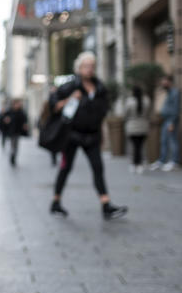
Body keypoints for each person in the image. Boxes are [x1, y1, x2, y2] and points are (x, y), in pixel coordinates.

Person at [49, 52, 128, 220]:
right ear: (79, 68)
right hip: (72, 135)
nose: (89, 69)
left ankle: (106, 205)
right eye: (86, 66)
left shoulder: (99, 88)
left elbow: (101, 114)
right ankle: (56, 202)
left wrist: (102, 135)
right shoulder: (70, 86)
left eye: (92, 66)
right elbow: (54, 106)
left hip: (92, 136)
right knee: (66, 167)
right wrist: (70, 98)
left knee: (98, 167)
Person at [150, 73, 180, 171]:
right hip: (165, 120)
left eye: (165, 81)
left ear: (169, 82)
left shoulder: (175, 93)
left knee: (172, 141)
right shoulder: (167, 92)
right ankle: (162, 161)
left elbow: (175, 109)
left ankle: (174, 161)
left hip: (171, 120)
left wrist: (172, 122)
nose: (163, 83)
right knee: (163, 141)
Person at [124, 85, 151, 174]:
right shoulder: (146, 101)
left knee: (134, 146)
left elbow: (126, 114)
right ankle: (139, 164)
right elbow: (148, 114)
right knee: (140, 146)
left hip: (132, 127)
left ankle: (134, 164)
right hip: (143, 126)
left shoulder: (130, 101)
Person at [4, 98, 30, 166]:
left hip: (18, 131)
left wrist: (25, 125)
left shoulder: (21, 112)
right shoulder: (10, 111)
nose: (18, 105)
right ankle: (12, 156)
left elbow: (24, 119)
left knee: (16, 145)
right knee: (13, 144)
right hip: (12, 131)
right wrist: (6, 120)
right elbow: (4, 117)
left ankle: (14, 157)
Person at [38, 85, 59, 166]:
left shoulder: (58, 101)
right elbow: (43, 115)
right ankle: (53, 156)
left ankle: (54, 156)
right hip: (50, 126)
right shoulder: (48, 103)